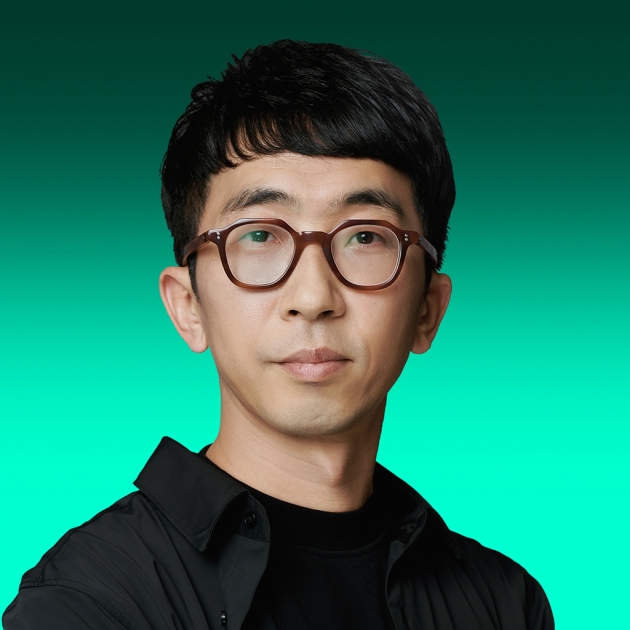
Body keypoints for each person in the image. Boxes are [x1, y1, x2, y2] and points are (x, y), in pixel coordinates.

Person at [2, 40, 554, 630]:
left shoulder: (502, 603)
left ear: (427, 309)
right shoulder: (89, 602)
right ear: (188, 307)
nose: (313, 298)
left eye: (365, 237)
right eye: (260, 235)